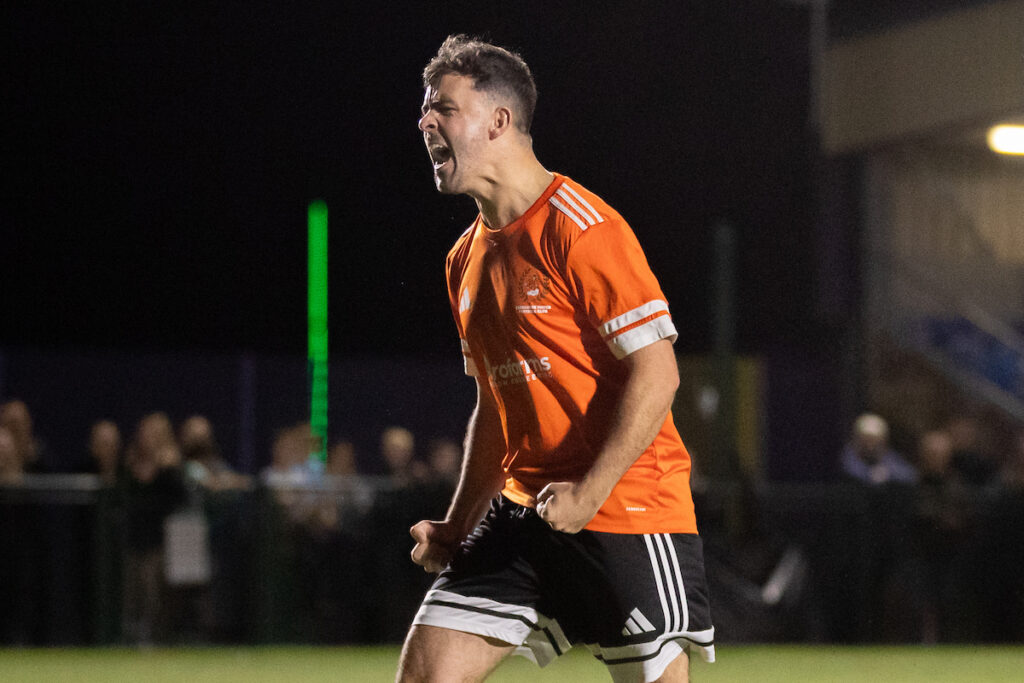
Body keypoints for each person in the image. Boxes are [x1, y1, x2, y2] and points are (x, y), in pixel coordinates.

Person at [398, 35, 714, 683]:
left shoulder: (582, 227)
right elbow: (496, 403)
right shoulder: (463, 259)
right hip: (524, 514)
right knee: (427, 674)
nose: (426, 121)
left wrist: (588, 493)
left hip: (628, 510)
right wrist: (459, 525)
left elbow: (660, 373)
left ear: (498, 121)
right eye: (426, 109)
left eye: (444, 108)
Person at [838, 413, 917, 485]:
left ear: (883, 442)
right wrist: (869, 474)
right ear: (857, 441)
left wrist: (887, 473)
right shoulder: (848, 456)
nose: (870, 446)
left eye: (875, 441)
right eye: (866, 441)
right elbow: (850, 470)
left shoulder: (888, 456)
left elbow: (909, 474)